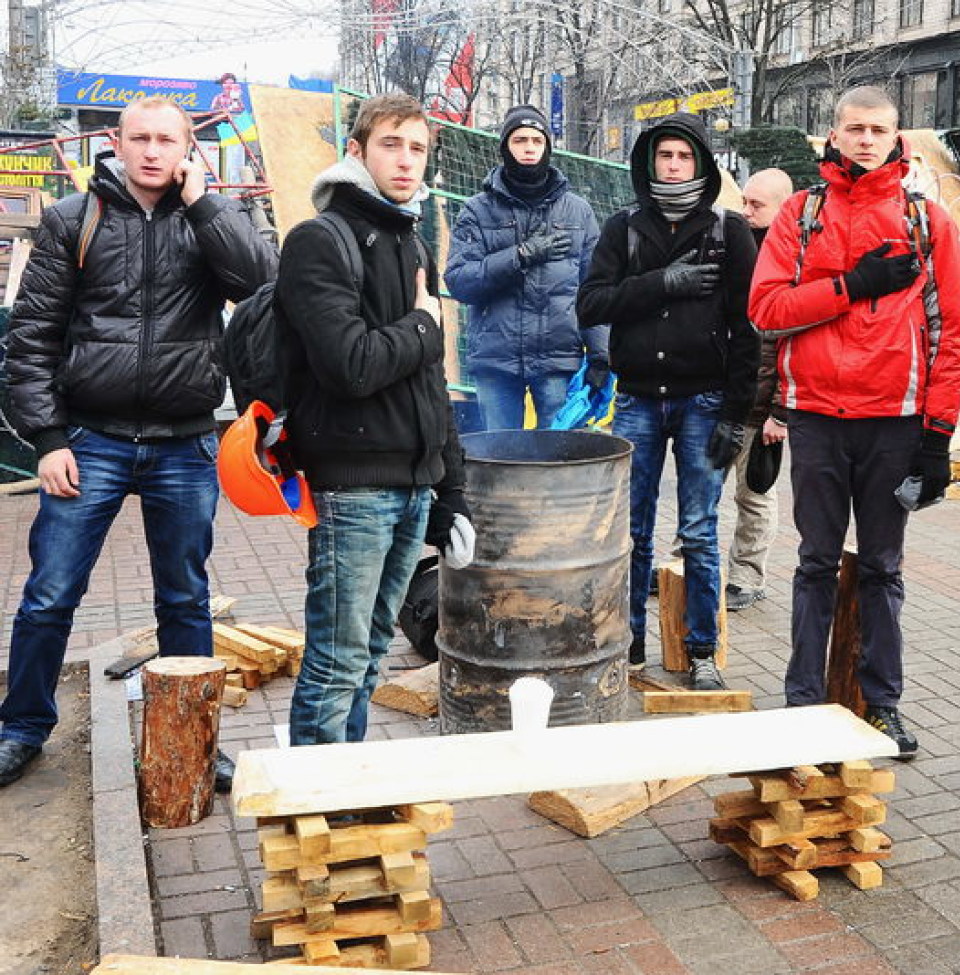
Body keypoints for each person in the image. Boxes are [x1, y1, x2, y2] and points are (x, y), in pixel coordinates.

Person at [0, 96, 276, 788]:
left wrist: (206, 207)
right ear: (117, 144)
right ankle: (22, 727)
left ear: (188, 149)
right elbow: (30, 337)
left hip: (185, 445)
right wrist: (48, 438)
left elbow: (262, 286)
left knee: (184, 597)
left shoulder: (214, 218)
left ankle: (193, 735)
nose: (153, 151)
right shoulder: (75, 219)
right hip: (90, 440)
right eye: (140, 138)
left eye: (167, 140)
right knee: (50, 592)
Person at [749, 86, 960, 759]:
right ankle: (801, 703)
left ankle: (883, 704)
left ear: (897, 136)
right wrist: (853, 285)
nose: (866, 139)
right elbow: (765, 309)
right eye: (854, 128)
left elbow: (950, 334)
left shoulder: (928, 221)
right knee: (814, 562)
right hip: (816, 416)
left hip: (893, 421)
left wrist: (937, 437)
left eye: (878, 129)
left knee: (881, 567)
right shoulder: (802, 212)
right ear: (833, 137)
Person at [275, 93, 469, 746]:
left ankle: (345, 789)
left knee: (369, 656)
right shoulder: (318, 240)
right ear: (356, 151)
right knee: (336, 659)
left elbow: (431, 385)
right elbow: (349, 365)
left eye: (418, 148)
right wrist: (422, 323)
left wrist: (452, 494)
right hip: (354, 487)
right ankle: (315, 805)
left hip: (413, 484)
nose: (407, 160)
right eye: (392, 144)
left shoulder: (412, 240)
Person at [577, 112, 758, 691]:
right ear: (649, 161)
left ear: (702, 163)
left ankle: (701, 651)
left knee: (700, 530)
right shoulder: (624, 228)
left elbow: (749, 329)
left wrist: (736, 414)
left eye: (684, 156)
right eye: (664, 156)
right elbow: (591, 304)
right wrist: (662, 283)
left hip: (703, 400)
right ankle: (627, 649)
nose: (674, 166)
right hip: (637, 402)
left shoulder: (729, 232)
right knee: (630, 531)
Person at [445, 105, 603, 430]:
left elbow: (596, 289)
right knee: (501, 462)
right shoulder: (477, 210)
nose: (529, 148)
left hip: (558, 358)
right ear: (505, 147)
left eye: (536, 140)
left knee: (559, 464)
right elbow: (460, 281)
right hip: (496, 361)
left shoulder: (578, 212)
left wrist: (601, 355)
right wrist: (519, 256)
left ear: (547, 146)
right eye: (519, 140)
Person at [725, 168, 794, 612]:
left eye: (756, 204)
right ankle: (684, 567)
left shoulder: (796, 260)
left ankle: (747, 576)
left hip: (761, 407)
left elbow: (799, 343)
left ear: (783, 207)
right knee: (701, 490)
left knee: (754, 493)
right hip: (718, 398)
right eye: (744, 202)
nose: (746, 212)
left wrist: (782, 413)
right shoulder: (730, 246)